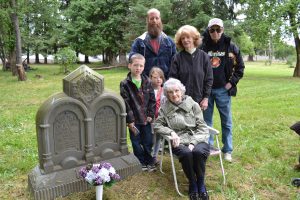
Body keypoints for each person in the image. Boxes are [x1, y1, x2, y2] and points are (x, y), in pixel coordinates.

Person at [154, 78, 210, 200]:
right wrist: (171, 132)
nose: (174, 94)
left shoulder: (193, 104)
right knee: (186, 153)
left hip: (197, 137)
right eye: (170, 92)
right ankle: (193, 183)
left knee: (198, 152)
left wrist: (193, 142)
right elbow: (157, 125)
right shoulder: (164, 108)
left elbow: (202, 126)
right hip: (179, 140)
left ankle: (201, 183)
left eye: (176, 91)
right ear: (166, 94)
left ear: (182, 91)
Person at [201, 18, 245, 162]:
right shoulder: (202, 46)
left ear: (222, 30)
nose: (215, 32)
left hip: (222, 90)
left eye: (218, 29)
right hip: (206, 91)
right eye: (212, 30)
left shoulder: (230, 46)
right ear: (209, 31)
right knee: (206, 121)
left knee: (226, 121)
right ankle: (208, 147)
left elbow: (240, 68)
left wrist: (231, 83)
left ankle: (227, 150)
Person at [120, 53, 156, 172]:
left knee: (148, 141)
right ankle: (140, 162)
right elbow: (126, 103)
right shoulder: (125, 84)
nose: (138, 68)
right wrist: (130, 121)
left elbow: (152, 100)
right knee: (136, 142)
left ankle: (149, 161)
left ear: (144, 67)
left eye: (141, 65)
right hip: (134, 120)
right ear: (129, 65)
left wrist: (151, 114)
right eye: (135, 65)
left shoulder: (148, 81)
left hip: (146, 119)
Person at [169, 25, 213, 111]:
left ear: (194, 38)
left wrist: (206, 98)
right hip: (181, 101)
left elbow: (209, 79)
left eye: (188, 37)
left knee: (199, 124)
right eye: (182, 38)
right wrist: (177, 99)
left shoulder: (204, 56)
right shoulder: (177, 58)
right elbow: (173, 80)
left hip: (200, 102)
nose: (185, 40)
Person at [130, 8, 176, 79]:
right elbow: (132, 59)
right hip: (145, 82)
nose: (154, 21)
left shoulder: (169, 42)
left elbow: (175, 63)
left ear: (160, 20)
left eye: (157, 18)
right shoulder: (139, 42)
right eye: (152, 18)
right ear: (147, 20)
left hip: (165, 82)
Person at [149, 67, 165, 165]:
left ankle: (154, 156)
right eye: (155, 77)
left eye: (160, 77)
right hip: (150, 118)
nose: (158, 79)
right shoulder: (148, 89)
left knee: (158, 137)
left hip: (160, 119)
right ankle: (148, 155)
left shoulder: (165, 90)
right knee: (150, 138)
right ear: (150, 78)